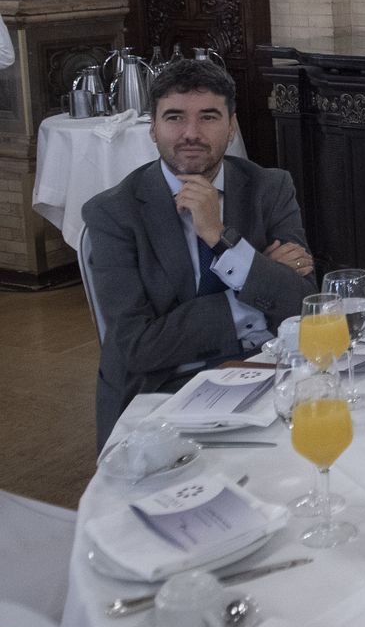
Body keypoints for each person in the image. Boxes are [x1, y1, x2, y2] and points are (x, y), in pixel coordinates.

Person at [83, 59, 316, 447]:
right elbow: (137, 349)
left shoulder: (269, 187)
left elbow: (303, 306)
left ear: (232, 125)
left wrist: (218, 235)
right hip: (164, 391)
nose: (191, 133)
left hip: (267, 374)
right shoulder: (113, 212)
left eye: (208, 117)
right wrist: (251, 296)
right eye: (174, 117)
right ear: (153, 129)